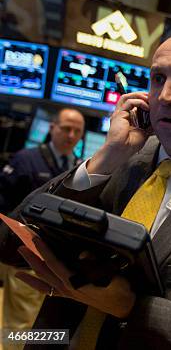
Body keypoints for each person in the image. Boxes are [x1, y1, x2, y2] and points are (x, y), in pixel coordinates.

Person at [0, 33, 171, 349]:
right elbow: (8, 245)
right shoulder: (118, 160)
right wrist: (104, 159)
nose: (166, 96)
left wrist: (131, 308)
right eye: (158, 78)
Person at [0, 107, 84, 336]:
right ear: (52, 128)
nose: (71, 136)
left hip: (61, 263)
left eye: (77, 131)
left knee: (47, 325)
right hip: (24, 255)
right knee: (19, 324)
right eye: (66, 129)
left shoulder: (80, 166)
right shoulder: (26, 159)